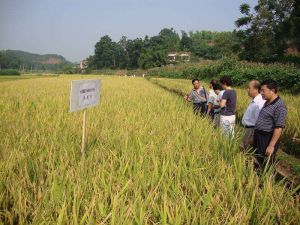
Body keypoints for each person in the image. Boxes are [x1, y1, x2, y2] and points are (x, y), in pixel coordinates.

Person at [253, 79, 288, 169]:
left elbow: (279, 127)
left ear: (272, 90)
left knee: (265, 164)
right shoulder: (267, 102)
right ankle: (255, 180)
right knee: (257, 160)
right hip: (259, 135)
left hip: (267, 138)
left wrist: (271, 145)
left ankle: (265, 181)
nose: (261, 93)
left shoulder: (280, 106)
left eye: (263, 90)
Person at [242, 80, 266, 150]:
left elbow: (258, 121)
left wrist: (253, 136)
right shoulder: (254, 100)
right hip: (248, 129)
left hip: (252, 131)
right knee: (245, 149)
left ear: (256, 89)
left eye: (249, 88)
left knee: (248, 151)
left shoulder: (259, 102)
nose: (247, 90)